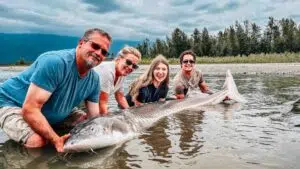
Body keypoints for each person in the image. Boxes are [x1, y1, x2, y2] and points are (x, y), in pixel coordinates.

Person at [0, 28, 111, 152]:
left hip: (53, 108)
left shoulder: (94, 80)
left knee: (86, 123)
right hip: (12, 103)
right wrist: (55, 139)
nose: (98, 53)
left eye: (104, 52)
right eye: (95, 46)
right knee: (38, 141)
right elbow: (30, 109)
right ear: (81, 43)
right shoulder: (55, 62)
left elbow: (93, 118)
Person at [93, 46, 141, 114]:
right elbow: (102, 103)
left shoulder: (122, 73)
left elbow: (120, 96)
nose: (130, 67)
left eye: (134, 66)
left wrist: (130, 113)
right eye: (128, 62)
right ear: (119, 59)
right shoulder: (108, 71)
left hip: (95, 104)